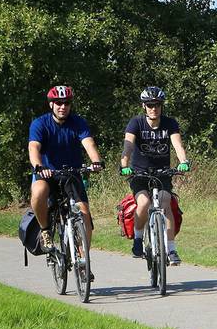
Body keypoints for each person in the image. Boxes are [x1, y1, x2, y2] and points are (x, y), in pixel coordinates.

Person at [28, 85, 105, 257]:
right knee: (39, 191)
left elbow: (88, 143)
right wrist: (39, 167)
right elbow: (33, 147)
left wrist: (96, 161)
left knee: (84, 212)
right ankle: (45, 230)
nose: (63, 106)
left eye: (67, 103)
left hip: (71, 173)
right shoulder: (40, 123)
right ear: (51, 105)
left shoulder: (78, 122)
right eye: (58, 103)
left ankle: (83, 259)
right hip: (47, 173)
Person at [119, 85, 191, 265]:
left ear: (161, 106)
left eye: (157, 105)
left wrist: (183, 161)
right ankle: (138, 238)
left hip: (162, 172)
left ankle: (171, 249)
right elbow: (128, 146)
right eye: (150, 105)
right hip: (139, 173)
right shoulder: (136, 123)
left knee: (165, 202)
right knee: (143, 202)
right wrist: (124, 165)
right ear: (144, 106)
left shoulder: (170, 123)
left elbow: (177, 144)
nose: (153, 108)